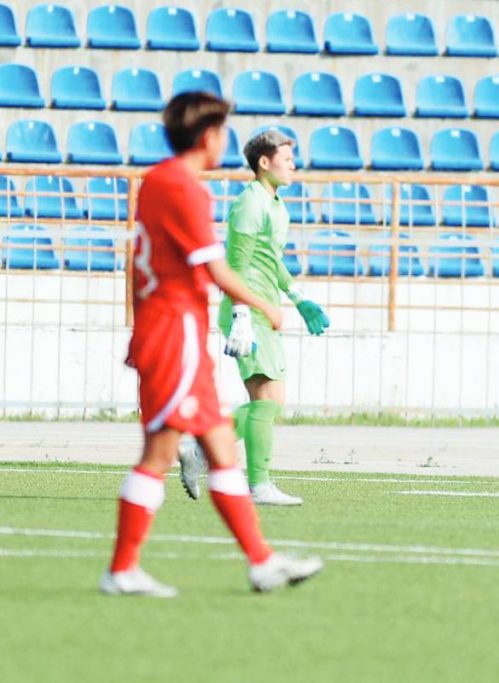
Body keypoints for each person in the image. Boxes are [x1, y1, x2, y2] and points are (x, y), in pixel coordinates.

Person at [101, 92, 323, 597]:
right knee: (159, 454)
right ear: (208, 136)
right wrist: (258, 306)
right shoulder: (184, 188)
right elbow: (215, 265)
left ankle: (261, 562)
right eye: (221, 130)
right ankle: (122, 569)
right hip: (174, 331)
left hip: (173, 328)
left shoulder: (160, 181)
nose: (225, 139)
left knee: (221, 447)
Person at [178, 131, 329, 506]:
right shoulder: (250, 203)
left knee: (271, 401)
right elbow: (236, 263)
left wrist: (298, 297)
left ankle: (203, 447)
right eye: (287, 157)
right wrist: (242, 315)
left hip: (265, 309)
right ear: (265, 162)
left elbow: (270, 258)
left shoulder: (276, 205)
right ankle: (258, 484)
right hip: (248, 311)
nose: (294, 164)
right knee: (265, 400)